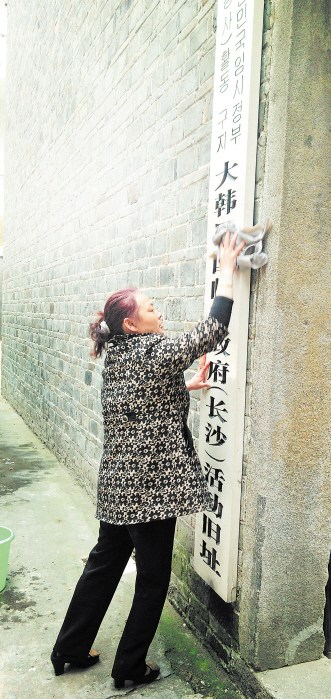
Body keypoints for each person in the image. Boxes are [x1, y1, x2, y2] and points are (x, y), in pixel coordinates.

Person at [51, 232, 244, 689]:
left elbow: (137, 404)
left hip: (118, 486)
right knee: (153, 580)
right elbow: (210, 333)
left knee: (104, 563)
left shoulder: (118, 355)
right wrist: (229, 272)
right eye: (151, 308)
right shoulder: (152, 350)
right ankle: (129, 668)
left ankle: (70, 648)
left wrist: (184, 388)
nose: (159, 312)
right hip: (149, 492)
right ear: (133, 325)